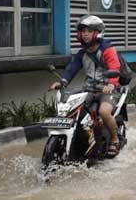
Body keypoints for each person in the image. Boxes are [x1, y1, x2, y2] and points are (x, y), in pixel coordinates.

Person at [50, 15, 122, 158]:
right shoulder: (82, 53)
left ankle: (114, 139)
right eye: (83, 31)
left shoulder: (108, 50)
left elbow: (115, 68)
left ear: (97, 32)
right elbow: (72, 68)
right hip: (89, 89)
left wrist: (111, 84)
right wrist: (63, 81)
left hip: (108, 90)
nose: (85, 34)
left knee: (104, 112)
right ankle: (82, 139)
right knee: (72, 109)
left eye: (89, 31)